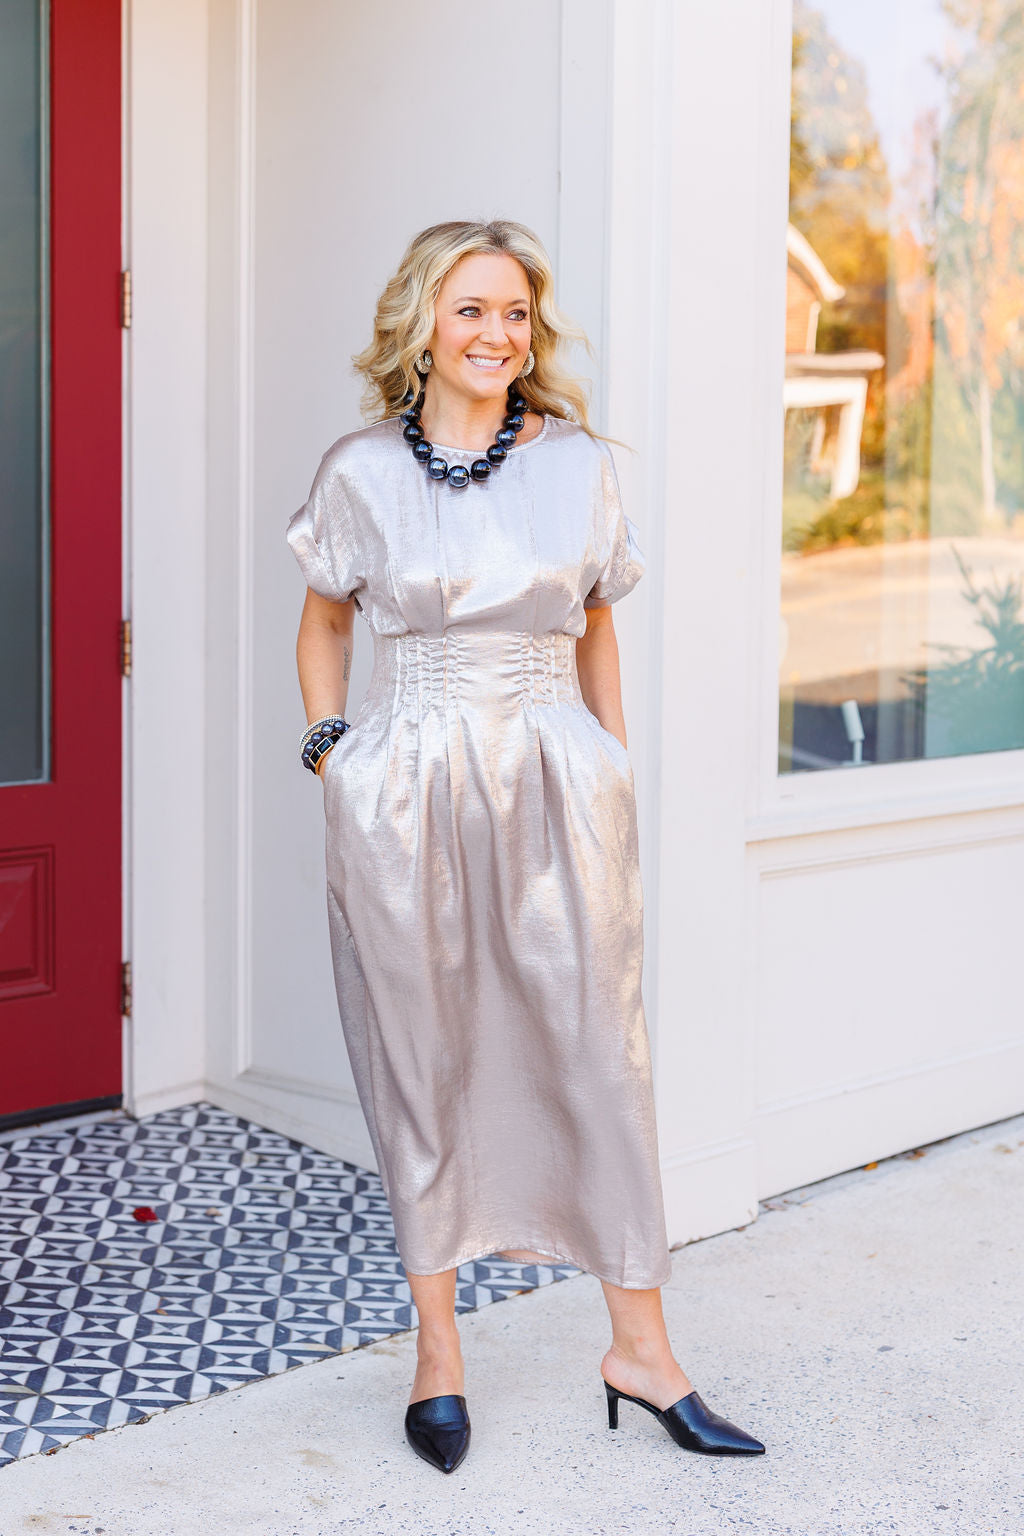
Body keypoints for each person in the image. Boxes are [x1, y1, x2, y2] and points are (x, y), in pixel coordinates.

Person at [287, 220, 764, 1474]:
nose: (497, 334)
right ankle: (438, 1355)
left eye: (515, 312)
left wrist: (611, 764)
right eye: (471, 309)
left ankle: (642, 1353)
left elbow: (596, 625)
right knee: (424, 1059)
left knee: (599, 1057)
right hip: (406, 781)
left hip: (555, 772)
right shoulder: (358, 470)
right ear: (421, 326)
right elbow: (323, 624)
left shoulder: (579, 465)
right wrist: (333, 752)